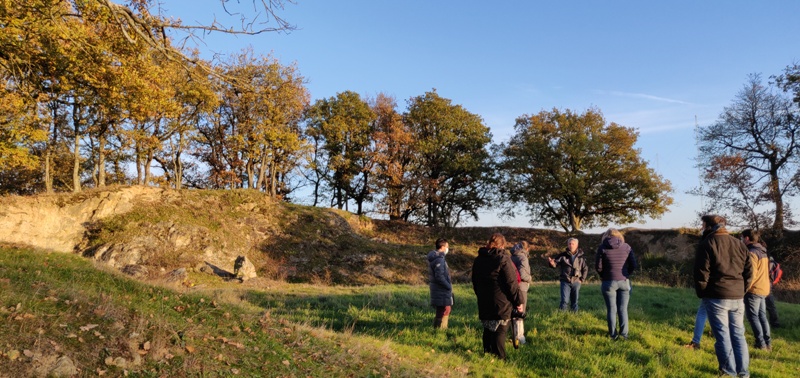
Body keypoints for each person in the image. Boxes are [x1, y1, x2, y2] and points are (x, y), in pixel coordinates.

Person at [694, 215, 753, 377]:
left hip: (716, 295)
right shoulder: (740, 244)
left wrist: (703, 293)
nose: (701, 228)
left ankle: (728, 372)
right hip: (737, 296)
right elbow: (749, 272)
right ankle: (743, 372)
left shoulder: (707, 244)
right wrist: (743, 290)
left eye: (703, 225)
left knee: (722, 335)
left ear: (709, 227)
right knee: (738, 335)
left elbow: (701, 274)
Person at [472, 233, 523, 360]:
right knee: (500, 330)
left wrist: (480, 294)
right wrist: (518, 301)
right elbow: (511, 283)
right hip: (501, 300)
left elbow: (475, 280)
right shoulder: (503, 259)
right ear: (502, 245)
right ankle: (500, 358)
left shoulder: (479, 259)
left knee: (488, 328)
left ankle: (487, 354)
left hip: (484, 299)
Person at [596, 228, 637, 340]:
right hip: (624, 281)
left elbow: (598, 267)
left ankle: (613, 335)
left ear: (606, 236)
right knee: (623, 309)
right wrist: (626, 274)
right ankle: (624, 335)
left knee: (611, 309)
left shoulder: (602, 247)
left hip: (608, 281)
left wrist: (604, 276)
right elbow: (634, 264)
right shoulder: (627, 247)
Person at [741, 229, 771, 350]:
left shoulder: (752, 253)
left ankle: (760, 343)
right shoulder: (763, 251)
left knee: (753, 317)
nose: (741, 240)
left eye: (742, 238)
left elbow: (751, 274)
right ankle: (768, 343)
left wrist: (745, 288)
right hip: (764, 288)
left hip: (754, 289)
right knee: (762, 316)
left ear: (747, 238)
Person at [548, 237, 589, 312]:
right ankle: (562, 316)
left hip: (576, 281)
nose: (571, 245)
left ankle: (574, 316)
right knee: (564, 300)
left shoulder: (581, 257)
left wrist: (582, 279)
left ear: (576, 245)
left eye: (573, 244)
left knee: (575, 301)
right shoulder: (562, 255)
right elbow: (555, 264)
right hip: (565, 281)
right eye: (569, 244)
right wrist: (552, 263)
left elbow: (585, 268)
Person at [427, 238, 453, 329]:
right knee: (446, 309)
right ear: (442, 247)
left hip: (437, 288)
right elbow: (440, 277)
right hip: (441, 289)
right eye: (447, 247)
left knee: (441, 309)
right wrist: (448, 286)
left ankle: (437, 329)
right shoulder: (439, 259)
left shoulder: (435, 258)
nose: (448, 249)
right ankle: (441, 329)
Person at [510, 241, 532, 344]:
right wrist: (530, 278)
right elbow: (522, 274)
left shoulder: (511, 257)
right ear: (526, 249)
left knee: (514, 312)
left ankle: (513, 334)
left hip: (512, 287)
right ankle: (520, 337)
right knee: (520, 312)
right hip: (521, 288)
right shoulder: (523, 258)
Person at [766, 253, 782, 327]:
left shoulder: (767, 261)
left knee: (768, 305)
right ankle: (774, 323)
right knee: (771, 306)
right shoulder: (772, 261)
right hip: (770, 284)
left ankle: (774, 324)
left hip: (765, 284)